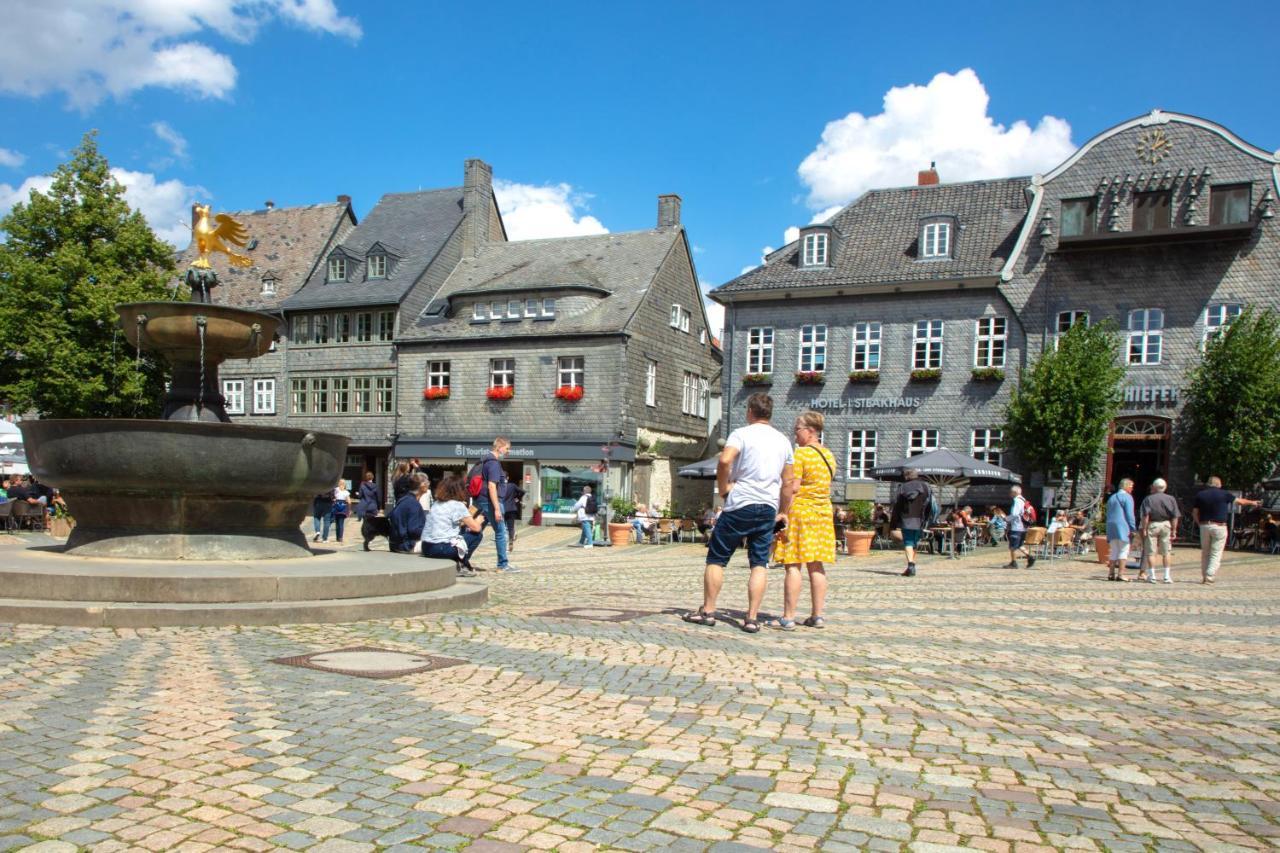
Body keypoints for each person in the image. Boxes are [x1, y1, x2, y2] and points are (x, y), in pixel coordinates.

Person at [684, 392, 795, 634]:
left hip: (740, 502)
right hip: (767, 506)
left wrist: (724, 488)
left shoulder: (741, 434)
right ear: (770, 414)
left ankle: (709, 611)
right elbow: (789, 482)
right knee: (759, 562)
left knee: (717, 558)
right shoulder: (783, 441)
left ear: (749, 412)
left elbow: (725, 461)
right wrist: (783, 511)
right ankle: (751, 618)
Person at [772, 410, 836, 631]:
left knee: (793, 564)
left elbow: (794, 486)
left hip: (801, 513)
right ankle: (817, 615)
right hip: (823, 514)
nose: (794, 434)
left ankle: (788, 616)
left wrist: (782, 511)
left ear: (810, 431)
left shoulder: (800, 454)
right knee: (816, 564)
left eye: (797, 429)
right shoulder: (828, 455)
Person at [1192, 475, 1261, 585]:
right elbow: (1240, 502)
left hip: (1204, 525)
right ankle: (1210, 574)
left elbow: (1195, 513)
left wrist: (1199, 524)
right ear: (1219, 484)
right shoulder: (1224, 494)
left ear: (1208, 484)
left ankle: (1205, 576)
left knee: (1205, 552)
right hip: (1220, 526)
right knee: (1216, 552)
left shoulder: (1200, 495)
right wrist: (1252, 502)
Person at [420, 476, 485, 576]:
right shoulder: (457, 505)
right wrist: (478, 520)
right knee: (477, 535)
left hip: (426, 547)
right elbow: (476, 528)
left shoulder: (436, 504)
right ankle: (461, 565)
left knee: (459, 536)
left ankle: (460, 563)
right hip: (442, 549)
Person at [475, 437, 520, 573]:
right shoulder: (493, 463)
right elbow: (491, 486)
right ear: (499, 446)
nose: (508, 452)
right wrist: (496, 508)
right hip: (491, 502)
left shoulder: (485, 460)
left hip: (483, 500)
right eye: (507, 448)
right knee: (501, 532)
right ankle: (503, 564)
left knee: (475, 530)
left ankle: (461, 559)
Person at [1139, 478, 1180, 583]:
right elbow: (1175, 516)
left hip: (1153, 524)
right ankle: (1166, 576)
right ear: (1165, 487)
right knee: (1166, 552)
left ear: (1154, 487)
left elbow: (1145, 515)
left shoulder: (1149, 499)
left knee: (1151, 552)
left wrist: (1144, 528)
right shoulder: (1171, 499)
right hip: (1166, 524)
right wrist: (1174, 530)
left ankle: (1152, 576)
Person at [891, 469, 931, 577]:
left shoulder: (902, 488)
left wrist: (893, 523)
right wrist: (927, 519)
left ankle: (911, 565)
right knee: (914, 543)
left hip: (906, 519)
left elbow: (896, 506)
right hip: (920, 520)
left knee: (908, 542)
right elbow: (930, 504)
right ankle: (911, 566)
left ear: (906, 477)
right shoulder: (925, 487)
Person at [1105, 479, 1137, 582]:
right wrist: (1133, 528)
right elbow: (1129, 514)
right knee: (1124, 550)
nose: (1132, 488)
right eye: (1131, 486)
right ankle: (1121, 574)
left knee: (1114, 550)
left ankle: (1111, 573)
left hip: (1111, 526)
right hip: (1123, 526)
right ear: (1126, 486)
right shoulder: (1127, 497)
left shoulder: (1112, 497)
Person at [389, 473, 429, 553]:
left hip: (395, 544)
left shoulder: (403, 500)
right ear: (422, 485)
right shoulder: (413, 504)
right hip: (407, 545)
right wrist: (431, 531)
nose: (428, 484)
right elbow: (414, 531)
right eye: (427, 482)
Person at [1006, 485, 1036, 569]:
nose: (1010, 494)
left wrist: (1007, 519)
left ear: (1014, 492)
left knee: (1012, 546)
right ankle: (1030, 557)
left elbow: (1015, 514)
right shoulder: (1024, 500)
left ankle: (1013, 563)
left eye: (1011, 492)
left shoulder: (1017, 500)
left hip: (1017, 526)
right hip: (1024, 526)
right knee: (1019, 545)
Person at [355, 472, 384, 551]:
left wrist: (359, 495)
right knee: (371, 523)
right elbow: (378, 498)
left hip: (364, 506)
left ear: (366, 478)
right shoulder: (376, 486)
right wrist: (379, 507)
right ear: (372, 478)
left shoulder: (362, 486)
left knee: (365, 523)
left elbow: (360, 496)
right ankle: (368, 538)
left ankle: (366, 537)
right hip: (372, 507)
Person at [501, 480, 524, 552]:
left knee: (502, 527)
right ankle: (511, 541)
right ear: (507, 478)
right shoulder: (512, 485)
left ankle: (502, 544)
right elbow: (523, 491)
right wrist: (517, 497)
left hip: (502, 509)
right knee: (511, 527)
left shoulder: (499, 486)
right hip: (511, 508)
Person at [330, 479, 350, 543]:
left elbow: (333, 498)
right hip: (343, 508)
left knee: (337, 523)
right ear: (344, 484)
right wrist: (349, 509)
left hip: (336, 507)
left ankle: (337, 537)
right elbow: (349, 502)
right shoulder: (346, 492)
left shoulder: (336, 490)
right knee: (341, 523)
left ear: (339, 483)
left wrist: (334, 500)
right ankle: (340, 537)